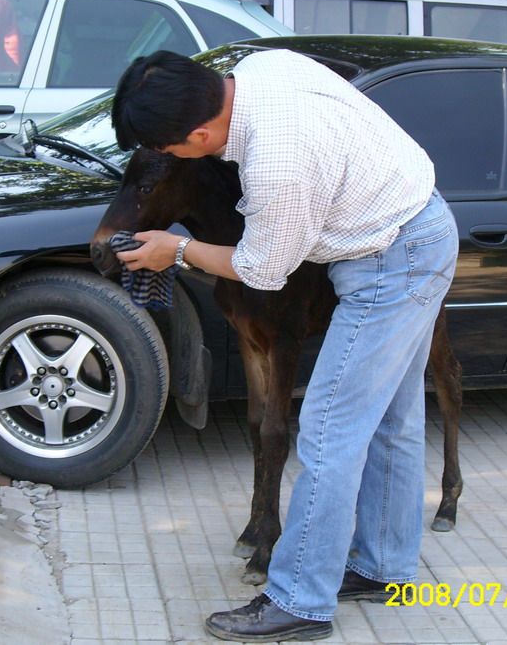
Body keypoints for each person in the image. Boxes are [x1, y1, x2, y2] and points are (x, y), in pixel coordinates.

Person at [111, 48, 459, 642]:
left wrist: (178, 251)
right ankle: (382, 567)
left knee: (328, 428)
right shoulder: (263, 66)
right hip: (419, 227)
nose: (167, 160)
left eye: (167, 151)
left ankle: (300, 598)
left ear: (198, 134)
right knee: (392, 419)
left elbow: (263, 267)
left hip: (392, 261)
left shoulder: (278, 162)